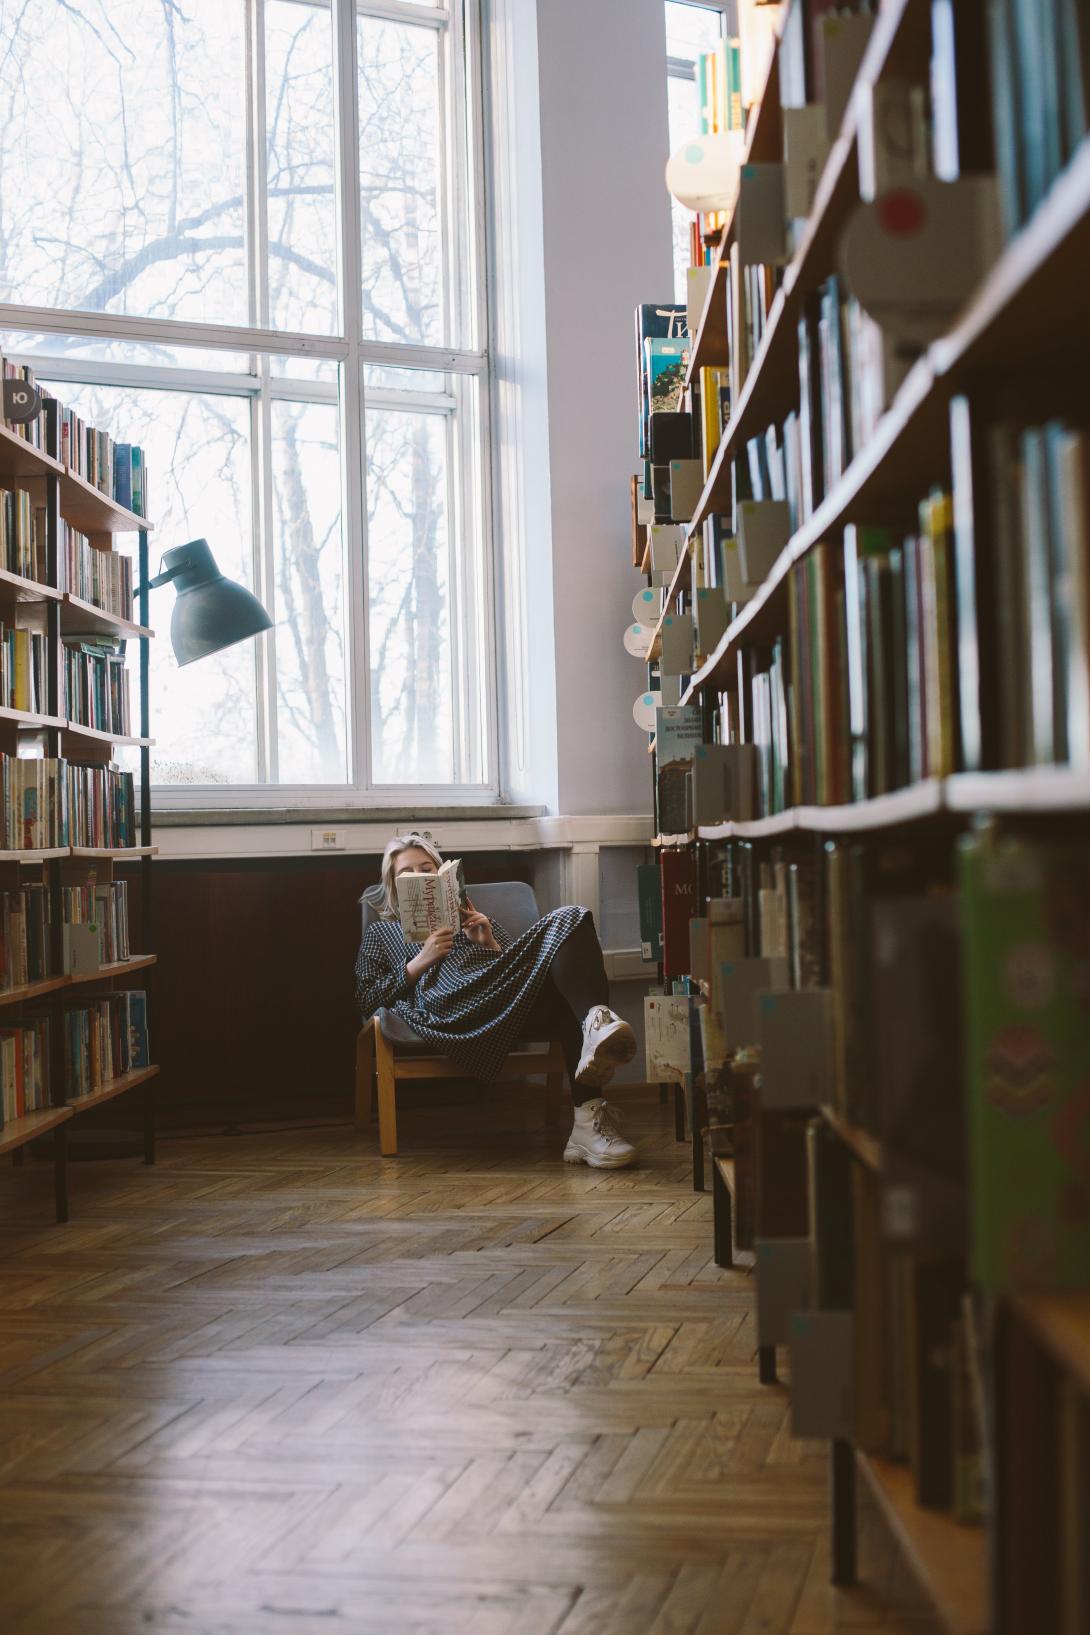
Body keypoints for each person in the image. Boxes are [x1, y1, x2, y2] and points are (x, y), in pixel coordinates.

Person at [355, 832, 639, 1168]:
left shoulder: (474, 918)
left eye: (427, 869)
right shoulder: (382, 932)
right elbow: (366, 999)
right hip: (448, 1005)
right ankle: (596, 1025)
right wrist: (420, 962)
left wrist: (488, 941)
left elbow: (521, 967)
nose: (420, 877)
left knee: (573, 917)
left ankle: (586, 1123)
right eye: (408, 874)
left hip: (498, 996)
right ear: (394, 884)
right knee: (567, 968)